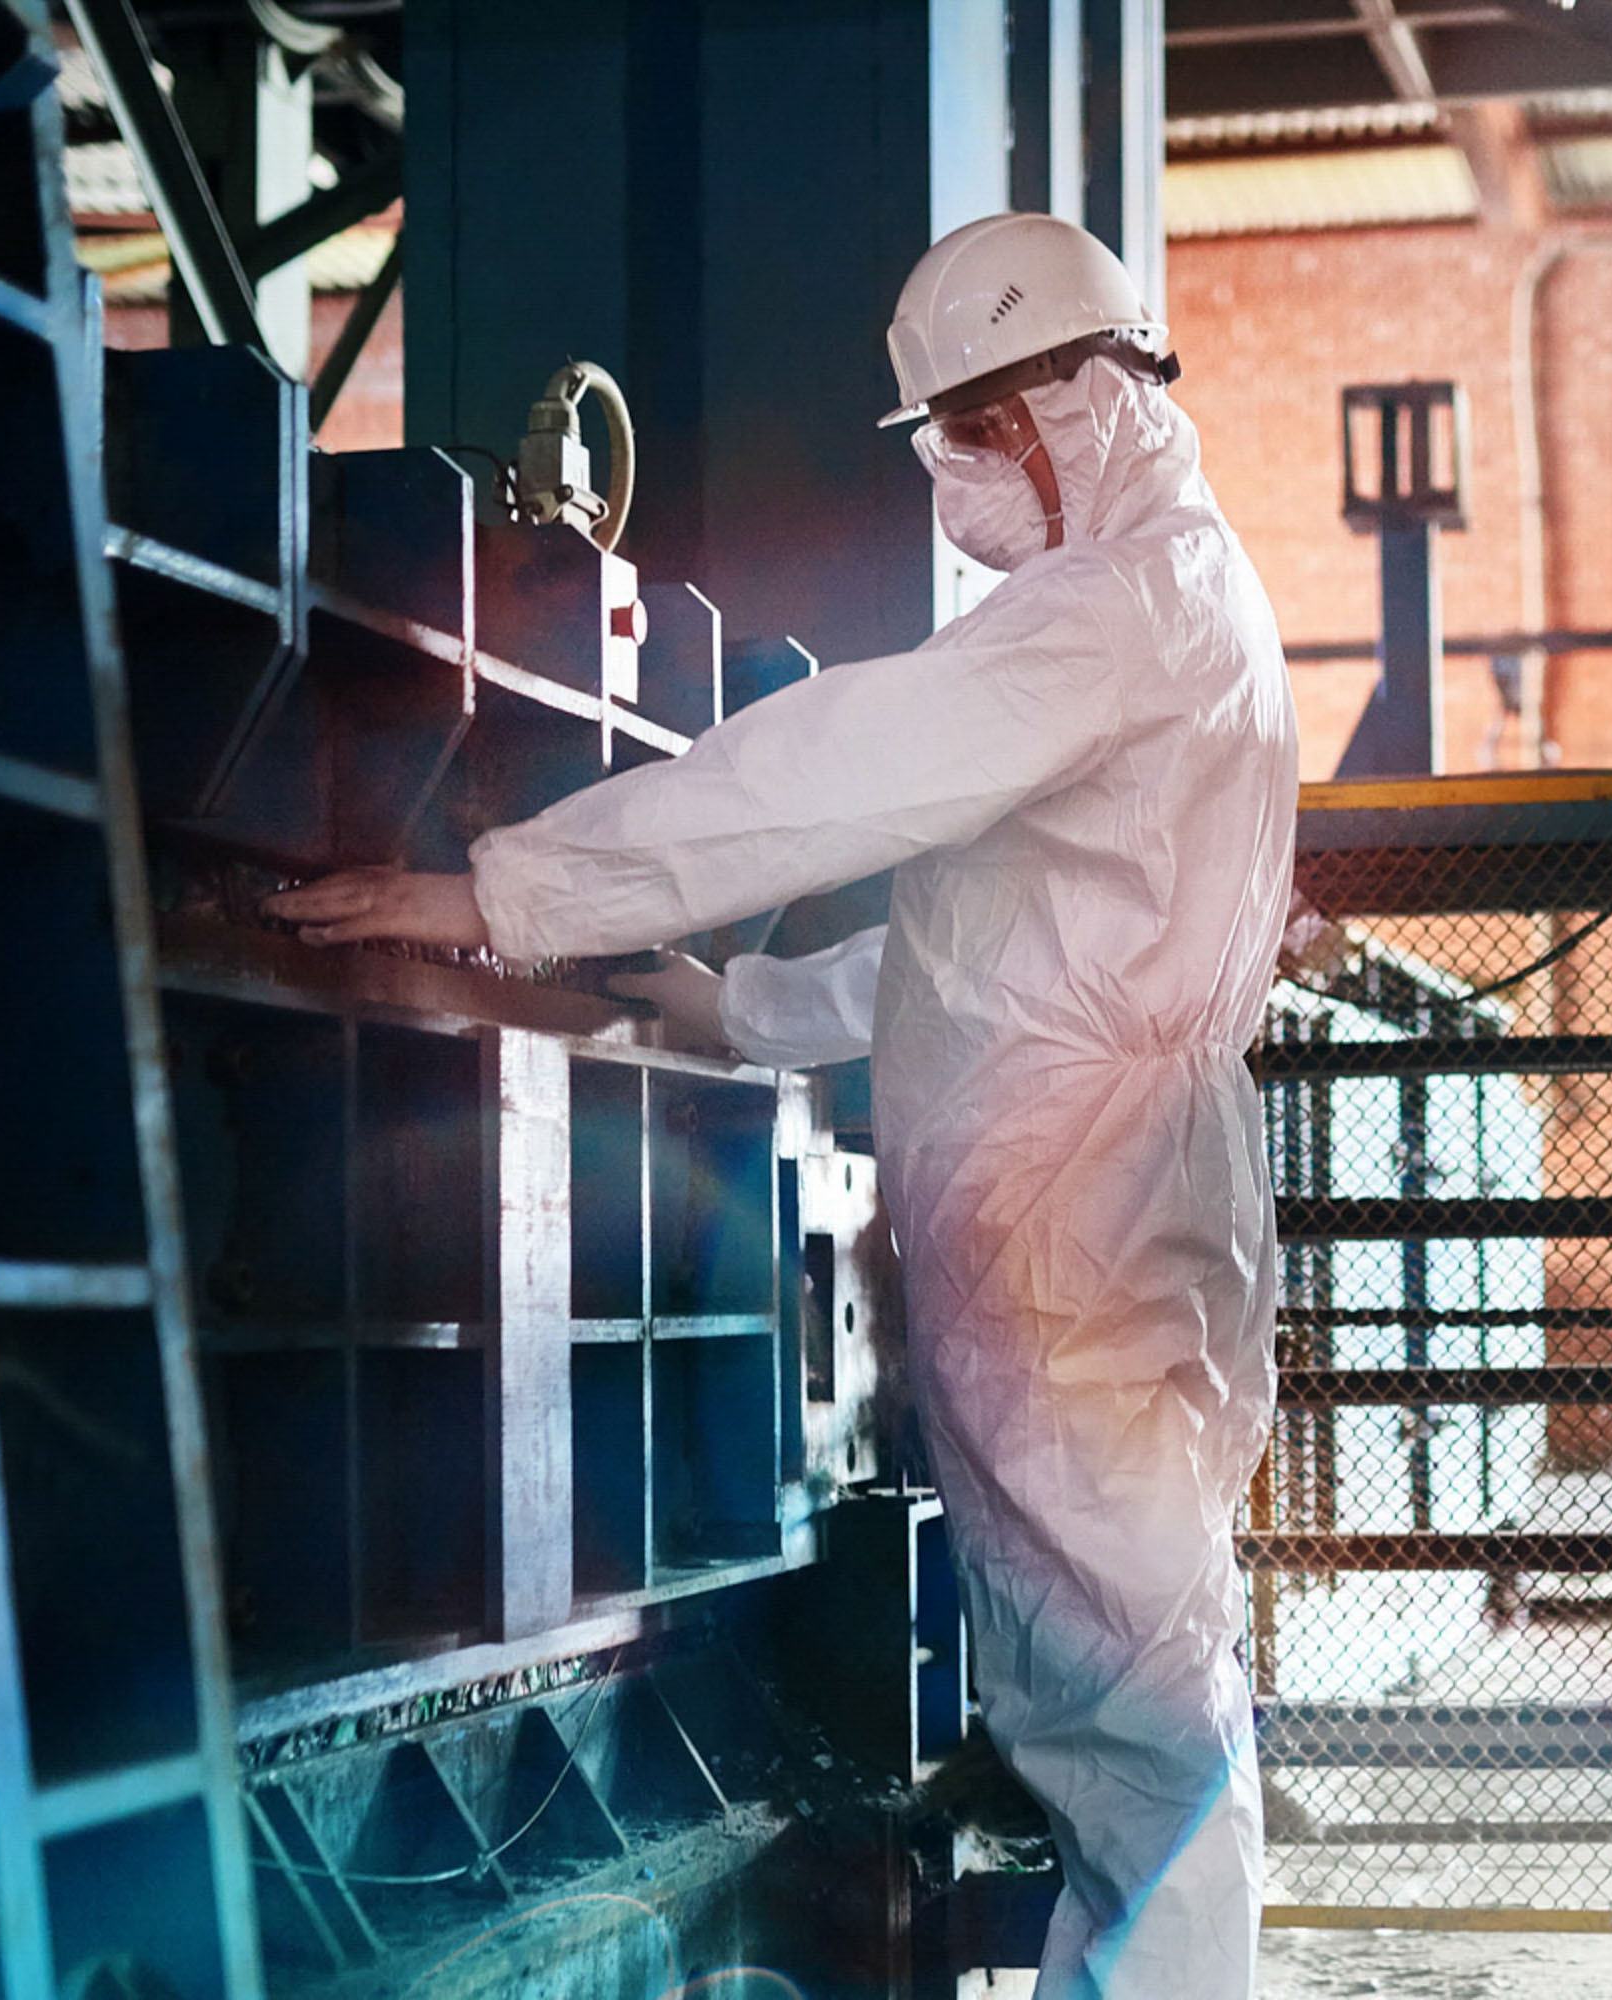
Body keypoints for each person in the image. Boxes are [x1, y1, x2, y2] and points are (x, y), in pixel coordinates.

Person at [264, 212, 1296, 2000]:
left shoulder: (1113, 612)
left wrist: (507, 891)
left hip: (1076, 1222)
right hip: (1121, 1193)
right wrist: (746, 1007)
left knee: (1134, 1723)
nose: (953, 475)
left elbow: (833, 773)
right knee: (1120, 1702)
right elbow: (997, 952)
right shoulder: (1181, 601)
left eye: (969, 432)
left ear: (1072, 401)